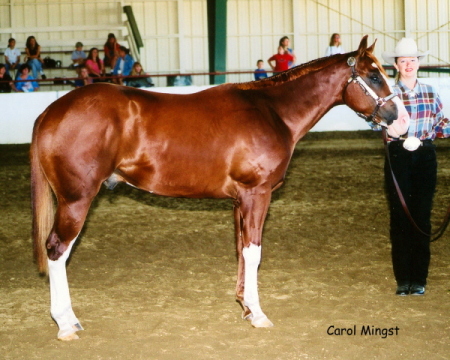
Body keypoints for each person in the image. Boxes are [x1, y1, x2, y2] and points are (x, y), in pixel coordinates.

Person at [379, 38, 449, 296]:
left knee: (421, 216)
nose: (408, 64)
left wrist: (442, 131)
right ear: (396, 65)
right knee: (399, 216)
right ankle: (403, 279)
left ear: (419, 63)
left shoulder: (431, 92)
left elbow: (441, 123)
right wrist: (390, 129)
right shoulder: (389, 94)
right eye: (403, 61)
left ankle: (419, 278)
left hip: (425, 155)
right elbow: (375, 122)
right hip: (398, 155)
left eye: (412, 60)